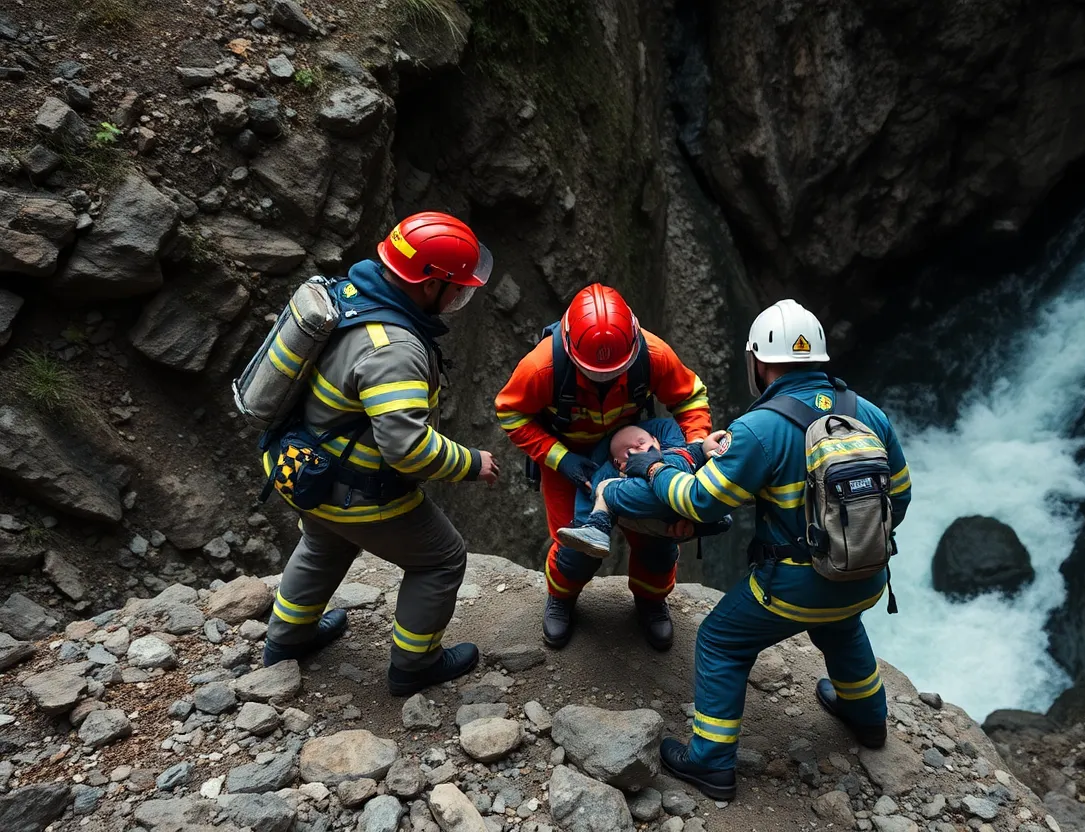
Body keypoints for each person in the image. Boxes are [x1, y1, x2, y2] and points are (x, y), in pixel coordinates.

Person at [617, 299, 912, 800]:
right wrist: (849, 549)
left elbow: (699, 503)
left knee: (720, 642)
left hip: (794, 584)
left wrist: (655, 469)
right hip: (865, 576)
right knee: (841, 626)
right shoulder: (868, 413)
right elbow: (899, 497)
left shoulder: (760, 429)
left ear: (759, 362)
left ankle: (710, 763)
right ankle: (868, 719)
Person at [260, 211, 500, 699]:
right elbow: (407, 449)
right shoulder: (395, 349)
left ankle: (286, 640)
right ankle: (416, 664)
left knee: (324, 540)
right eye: (455, 287)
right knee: (443, 559)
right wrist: (472, 463)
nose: (460, 297)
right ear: (428, 284)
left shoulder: (349, 294)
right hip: (355, 489)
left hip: (302, 469)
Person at [495, 284, 712, 651]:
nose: (605, 380)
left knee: (657, 539)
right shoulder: (542, 366)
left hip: (632, 455)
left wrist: (690, 459)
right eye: (594, 374)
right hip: (571, 461)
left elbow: (690, 398)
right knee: (575, 541)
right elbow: (511, 412)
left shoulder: (652, 354)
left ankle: (651, 601)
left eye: (614, 372)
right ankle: (561, 598)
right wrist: (559, 458)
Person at [556, 421, 731, 557]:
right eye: (627, 451)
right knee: (602, 488)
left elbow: (689, 460)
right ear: (619, 464)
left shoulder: (675, 453)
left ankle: (597, 527)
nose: (637, 449)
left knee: (605, 489)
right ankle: (596, 527)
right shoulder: (620, 478)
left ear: (656, 441)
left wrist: (702, 447)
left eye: (641, 442)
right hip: (659, 521)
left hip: (691, 501)